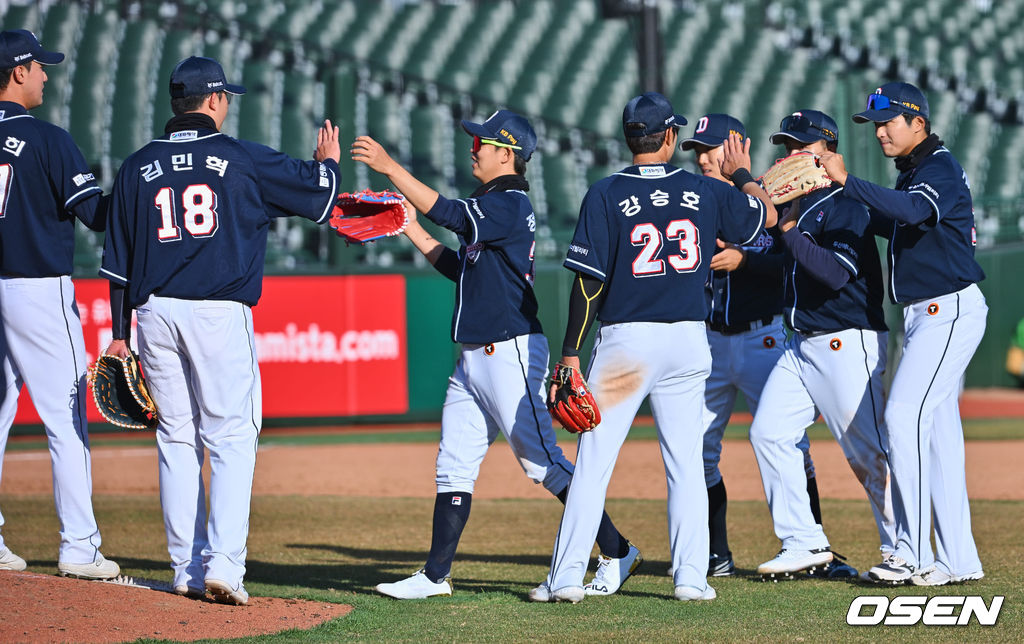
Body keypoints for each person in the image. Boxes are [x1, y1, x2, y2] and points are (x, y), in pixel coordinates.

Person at [353, 110, 640, 601]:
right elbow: (457, 266)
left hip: (510, 350)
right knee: (454, 465)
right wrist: (409, 229)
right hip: (473, 359)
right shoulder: (491, 205)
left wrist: (390, 168)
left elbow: (447, 213)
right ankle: (435, 575)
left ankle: (617, 550)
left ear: (506, 154)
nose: (473, 148)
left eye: (481, 142)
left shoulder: (509, 202)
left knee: (543, 464)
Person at [99, 56, 341, 604]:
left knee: (176, 439)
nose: (227, 103)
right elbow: (320, 198)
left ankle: (186, 567)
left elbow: (116, 264)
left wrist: (118, 333)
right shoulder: (239, 157)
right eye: (225, 95)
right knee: (230, 437)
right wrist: (327, 162)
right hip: (216, 312)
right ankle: (225, 566)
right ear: (212, 101)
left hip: (152, 313)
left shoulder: (136, 167)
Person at [533, 92, 777, 603]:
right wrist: (742, 175)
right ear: (669, 137)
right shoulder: (703, 190)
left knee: (595, 461)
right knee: (686, 462)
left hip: (627, 340)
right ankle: (691, 578)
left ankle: (567, 579)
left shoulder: (605, 192)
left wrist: (571, 351)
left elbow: (588, 282)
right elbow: (763, 218)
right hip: (689, 339)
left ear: (629, 137)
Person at [818, 82, 988, 586]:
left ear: (919, 122)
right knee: (937, 439)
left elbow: (913, 212)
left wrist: (847, 180)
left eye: (890, 120)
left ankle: (914, 554)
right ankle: (959, 560)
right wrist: (833, 194)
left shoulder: (937, 167)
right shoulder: (916, 173)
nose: (881, 131)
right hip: (925, 315)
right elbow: (896, 222)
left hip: (948, 309)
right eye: (876, 123)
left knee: (902, 414)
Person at [680, 114, 855, 579]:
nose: (702, 156)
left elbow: (791, 262)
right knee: (698, 450)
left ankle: (816, 549)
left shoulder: (768, 194)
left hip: (764, 336)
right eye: (697, 148)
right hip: (710, 340)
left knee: (790, 443)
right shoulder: (685, 200)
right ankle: (715, 555)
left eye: (712, 147)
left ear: (738, 147)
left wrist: (744, 262)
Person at [747, 110, 896, 579]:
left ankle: (904, 549)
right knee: (768, 433)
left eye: (800, 146)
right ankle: (804, 541)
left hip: (846, 341)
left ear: (826, 149)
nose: (790, 155)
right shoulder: (796, 206)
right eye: (786, 146)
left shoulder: (846, 202)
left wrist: (786, 231)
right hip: (801, 343)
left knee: (867, 454)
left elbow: (833, 272)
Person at [0, 29, 119, 579]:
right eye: (39, 66)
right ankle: (79, 545)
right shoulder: (47, 140)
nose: (46, 75)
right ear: (18, 71)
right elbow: (96, 215)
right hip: (34, 286)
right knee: (66, 416)